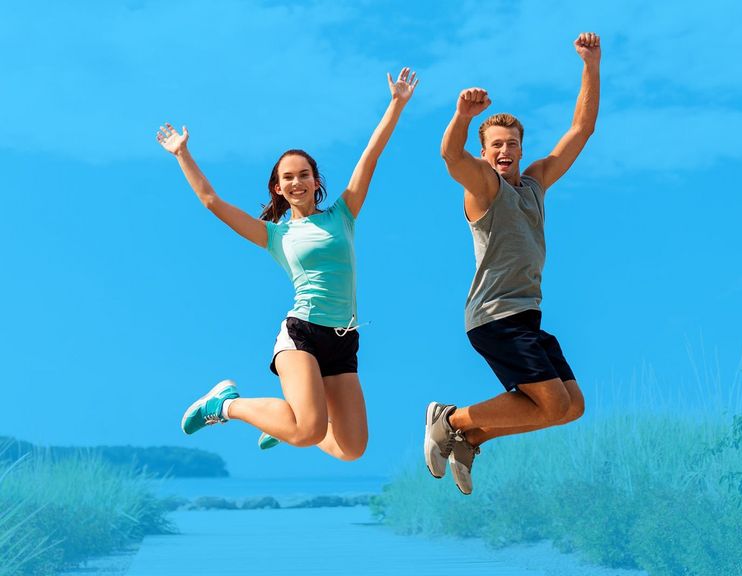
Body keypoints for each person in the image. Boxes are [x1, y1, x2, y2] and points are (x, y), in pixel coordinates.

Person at [157, 67, 418, 461]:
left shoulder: (343, 214)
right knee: (309, 430)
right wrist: (182, 154)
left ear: (316, 181)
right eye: (288, 178)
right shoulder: (275, 235)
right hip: (304, 334)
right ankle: (225, 405)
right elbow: (213, 201)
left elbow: (371, 154)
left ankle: (282, 424)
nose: (297, 182)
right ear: (278, 187)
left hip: (344, 338)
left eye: (304, 175)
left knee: (352, 449)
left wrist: (396, 104)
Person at [425, 33, 601, 494]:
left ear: (522, 148)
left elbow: (580, 131)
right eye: (496, 144)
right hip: (495, 318)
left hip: (528, 316)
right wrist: (464, 117)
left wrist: (590, 65)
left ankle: (470, 438)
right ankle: (450, 419)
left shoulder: (535, 184)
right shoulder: (485, 187)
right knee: (548, 404)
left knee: (570, 407)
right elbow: (449, 155)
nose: (504, 151)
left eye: (512, 144)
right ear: (485, 152)